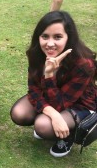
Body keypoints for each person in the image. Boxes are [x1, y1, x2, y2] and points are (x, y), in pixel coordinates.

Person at [10, 11, 97, 158]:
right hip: (52, 98)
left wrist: (49, 75)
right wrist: (54, 115)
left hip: (79, 104)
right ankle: (55, 122)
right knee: (20, 113)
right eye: (45, 36)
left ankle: (68, 136)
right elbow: (33, 89)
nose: (50, 44)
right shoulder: (36, 54)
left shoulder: (84, 63)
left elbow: (61, 103)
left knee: (42, 125)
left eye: (57, 37)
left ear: (68, 38)